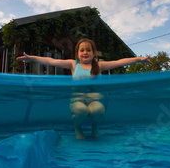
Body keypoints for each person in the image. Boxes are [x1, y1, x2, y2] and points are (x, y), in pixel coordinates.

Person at [16, 38, 152, 139]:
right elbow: (51, 61)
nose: (85, 52)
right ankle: (78, 128)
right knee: (81, 111)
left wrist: (139, 59)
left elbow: (119, 62)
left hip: (94, 100)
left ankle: (95, 127)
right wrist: (32, 58)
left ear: (93, 53)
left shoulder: (99, 66)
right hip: (77, 101)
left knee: (98, 110)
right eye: (82, 50)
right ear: (77, 54)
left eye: (88, 50)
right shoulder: (73, 64)